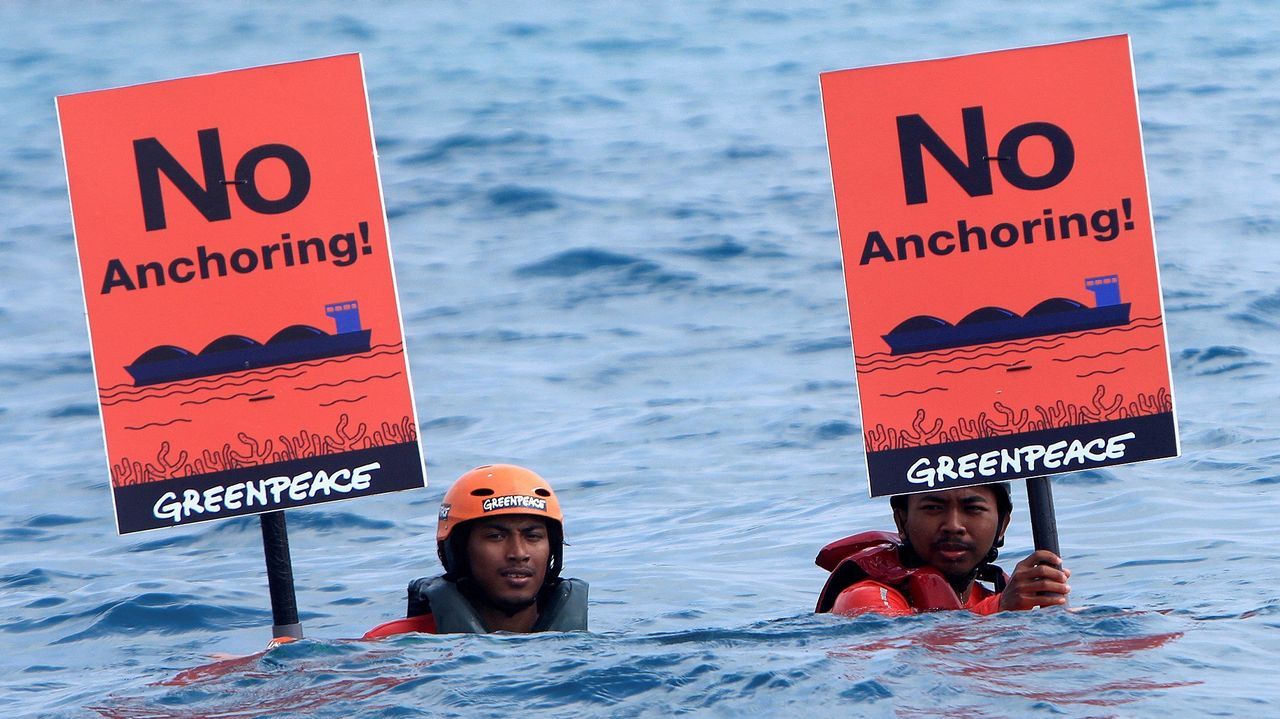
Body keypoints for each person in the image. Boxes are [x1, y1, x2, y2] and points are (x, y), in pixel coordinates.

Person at [364, 464, 588, 637]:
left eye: (533, 536)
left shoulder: (582, 646)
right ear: (458, 550)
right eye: (495, 536)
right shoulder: (392, 645)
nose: (519, 553)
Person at [814, 482, 1070, 616]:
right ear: (901, 520)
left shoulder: (991, 598)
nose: (953, 526)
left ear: (1002, 525)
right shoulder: (863, 597)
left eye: (973, 509)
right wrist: (1001, 608)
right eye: (933, 508)